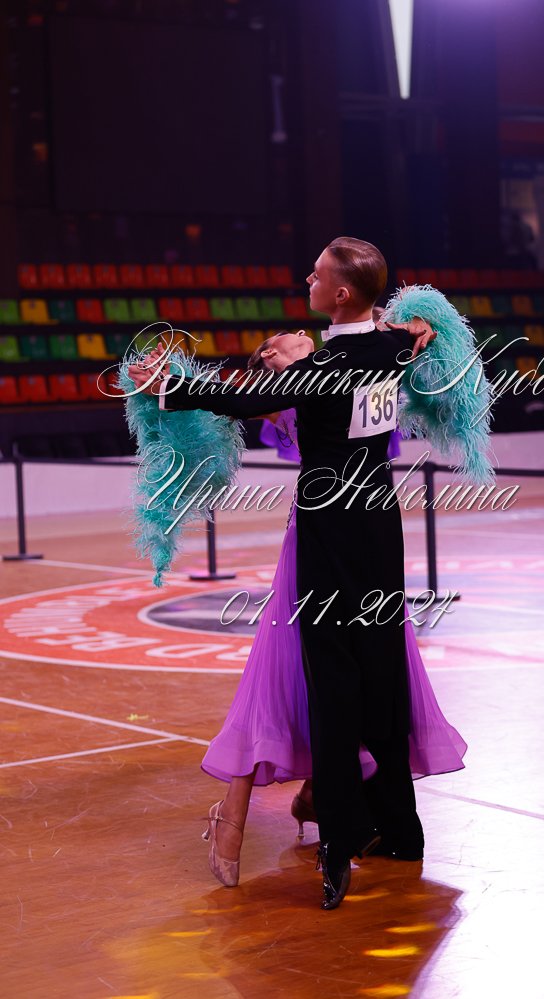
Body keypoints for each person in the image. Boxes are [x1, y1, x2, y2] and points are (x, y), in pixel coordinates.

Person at [127, 236, 492, 909]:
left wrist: (166, 385)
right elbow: (425, 332)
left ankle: (340, 842)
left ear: (342, 294)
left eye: (318, 274)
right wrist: (416, 324)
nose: (308, 279)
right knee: (382, 674)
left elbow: (239, 404)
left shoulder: (327, 365)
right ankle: (400, 830)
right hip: (380, 525)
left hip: (329, 531)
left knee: (333, 685)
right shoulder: (393, 346)